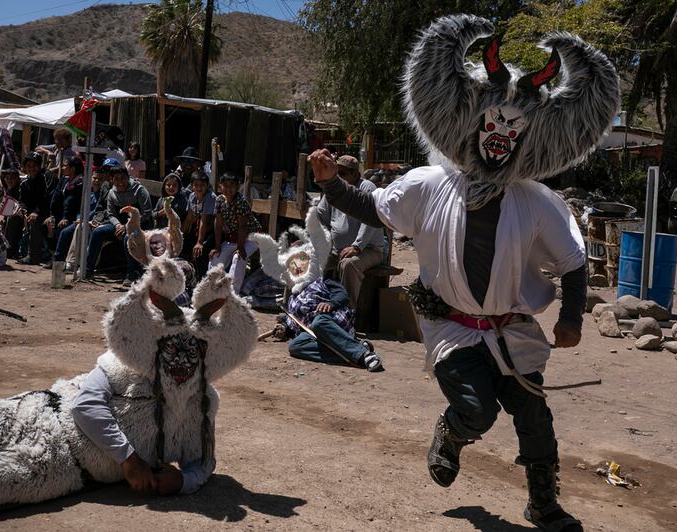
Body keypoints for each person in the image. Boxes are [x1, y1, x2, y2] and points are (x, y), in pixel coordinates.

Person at [309, 15, 620, 531]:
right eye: (493, 124)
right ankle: (453, 433)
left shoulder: (537, 202)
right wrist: (331, 187)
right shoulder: (428, 185)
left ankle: (543, 503)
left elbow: (573, 262)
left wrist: (572, 318)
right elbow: (376, 207)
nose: (501, 136)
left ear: (530, 138)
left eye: (514, 128)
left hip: (512, 329)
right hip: (450, 326)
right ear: (472, 124)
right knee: (478, 411)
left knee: (535, 417)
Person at [0, 259, 258, 506]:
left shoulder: (202, 402)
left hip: (58, 463)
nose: (180, 362)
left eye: (191, 353)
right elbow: (85, 406)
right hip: (37, 410)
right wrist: (129, 459)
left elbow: (202, 461)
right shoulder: (122, 362)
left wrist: (183, 481)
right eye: (172, 351)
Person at [250, 207, 383, 371]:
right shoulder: (293, 296)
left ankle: (363, 355)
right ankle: (353, 351)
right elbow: (294, 321)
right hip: (315, 333)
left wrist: (330, 304)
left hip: (332, 322)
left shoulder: (323, 279)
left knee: (319, 321)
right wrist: (284, 327)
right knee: (296, 346)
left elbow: (343, 295)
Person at [317, 155, 384, 310]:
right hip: (337, 249)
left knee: (349, 264)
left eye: (343, 173)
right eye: (337, 173)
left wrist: (357, 246)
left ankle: (346, 311)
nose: (339, 177)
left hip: (368, 250)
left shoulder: (367, 188)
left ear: (355, 174)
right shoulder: (334, 188)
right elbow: (320, 215)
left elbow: (370, 220)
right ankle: (305, 305)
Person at [85, 166, 153, 284]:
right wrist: (117, 226)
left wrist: (127, 226)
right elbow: (111, 214)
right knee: (97, 232)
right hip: (120, 224)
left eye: (123, 178)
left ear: (128, 177)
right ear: (111, 180)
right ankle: (88, 269)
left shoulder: (139, 190)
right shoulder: (111, 193)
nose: (120, 182)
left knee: (128, 237)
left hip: (140, 224)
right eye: (116, 179)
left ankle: (132, 272)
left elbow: (147, 213)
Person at [208, 173, 261, 292]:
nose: (228, 189)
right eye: (225, 185)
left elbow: (243, 226)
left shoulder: (240, 201)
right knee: (215, 257)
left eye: (232, 185)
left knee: (238, 257)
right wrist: (217, 246)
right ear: (220, 186)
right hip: (233, 238)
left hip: (251, 237)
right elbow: (218, 223)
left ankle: (232, 292)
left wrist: (240, 247)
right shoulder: (219, 200)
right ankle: (212, 289)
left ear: (237, 187)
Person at [42, 156, 84, 268]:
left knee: (63, 229)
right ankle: (51, 253)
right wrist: (52, 215)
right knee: (46, 225)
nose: (63, 167)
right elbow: (55, 199)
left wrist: (65, 218)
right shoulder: (64, 181)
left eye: (66, 165)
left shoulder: (81, 184)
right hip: (60, 215)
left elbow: (73, 203)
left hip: (74, 217)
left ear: (73, 169)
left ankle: (58, 260)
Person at [15, 152, 50, 265]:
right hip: (30, 213)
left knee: (36, 221)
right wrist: (23, 210)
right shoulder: (25, 183)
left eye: (34, 165)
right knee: (13, 218)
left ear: (39, 166)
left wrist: (36, 212)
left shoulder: (45, 179)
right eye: (28, 166)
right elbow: (22, 201)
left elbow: (46, 198)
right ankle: (11, 251)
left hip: (46, 212)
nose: (31, 168)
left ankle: (33, 256)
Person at [182, 170, 216, 279]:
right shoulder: (192, 197)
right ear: (191, 186)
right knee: (183, 245)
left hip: (212, 231)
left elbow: (204, 220)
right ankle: (188, 276)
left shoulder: (210, 197)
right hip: (198, 230)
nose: (199, 188)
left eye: (202, 185)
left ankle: (202, 279)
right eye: (196, 185)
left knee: (199, 252)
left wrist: (200, 242)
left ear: (207, 186)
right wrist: (179, 234)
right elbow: (189, 218)